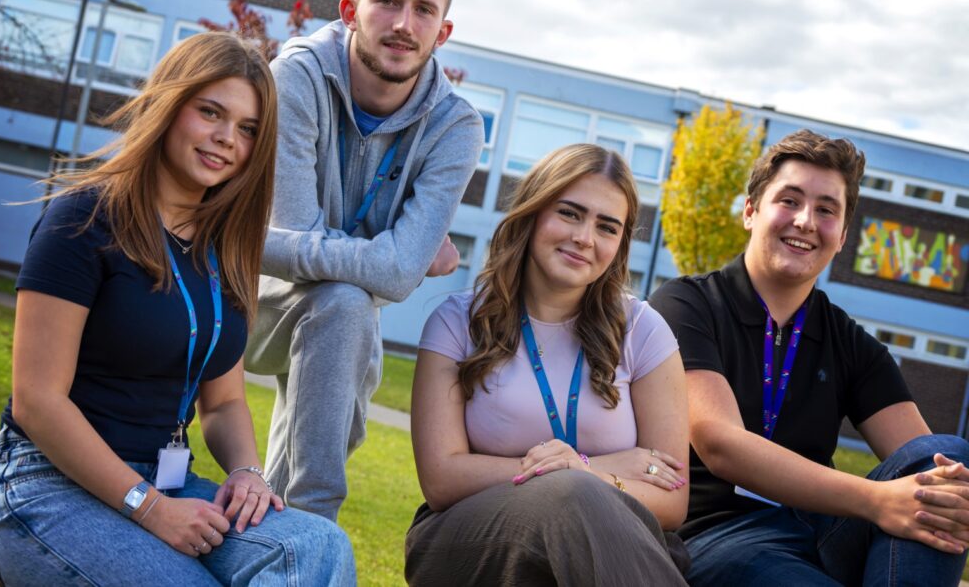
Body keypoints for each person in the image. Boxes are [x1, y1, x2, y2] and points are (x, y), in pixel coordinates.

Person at [0, 32, 355, 586]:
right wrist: (149, 507)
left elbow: (222, 404)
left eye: (248, 129)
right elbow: (37, 401)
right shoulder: (82, 219)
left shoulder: (225, 247)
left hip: (170, 480)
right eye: (210, 113)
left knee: (316, 548)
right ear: (169, 106)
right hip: (48, 482)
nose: (227, 139)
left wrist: (248, 472)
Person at [649, 129, 969, 586]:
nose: (805, 221)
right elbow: (720, 444)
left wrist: (952, 493)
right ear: (750, 211)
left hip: (822, 527)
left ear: (841, 237)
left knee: (945, 464)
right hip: (717, 537)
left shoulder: (850, 342)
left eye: (826, 210)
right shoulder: (687, 304)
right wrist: (876, 500)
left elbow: (929, 462)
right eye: (790, 200)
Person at [245, 0, 484, 521]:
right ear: (350, 12)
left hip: (343, 330)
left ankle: (286, 534)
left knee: (346, 305)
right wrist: (400, 255)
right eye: (387, 2)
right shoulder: (296, 78)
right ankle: (312, 529)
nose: (405, 24)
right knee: (350, 299)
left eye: (424, 10)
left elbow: (397, 275)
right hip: (247, 302)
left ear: (442, 33)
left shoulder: (456, 127)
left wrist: (260, 245)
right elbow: (302, 236)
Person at [404, 144, 690, 586]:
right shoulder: (456, 321)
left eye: (607, 227)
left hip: (619, 542)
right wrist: (583, 471)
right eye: (570, 213)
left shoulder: (645, 331)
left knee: (576, 498)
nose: (585, 238)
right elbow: (442, 479)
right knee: (570, 494)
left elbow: (672, 501)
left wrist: (584, 473)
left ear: (620, 245)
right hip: (468, 539)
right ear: (533, 212)